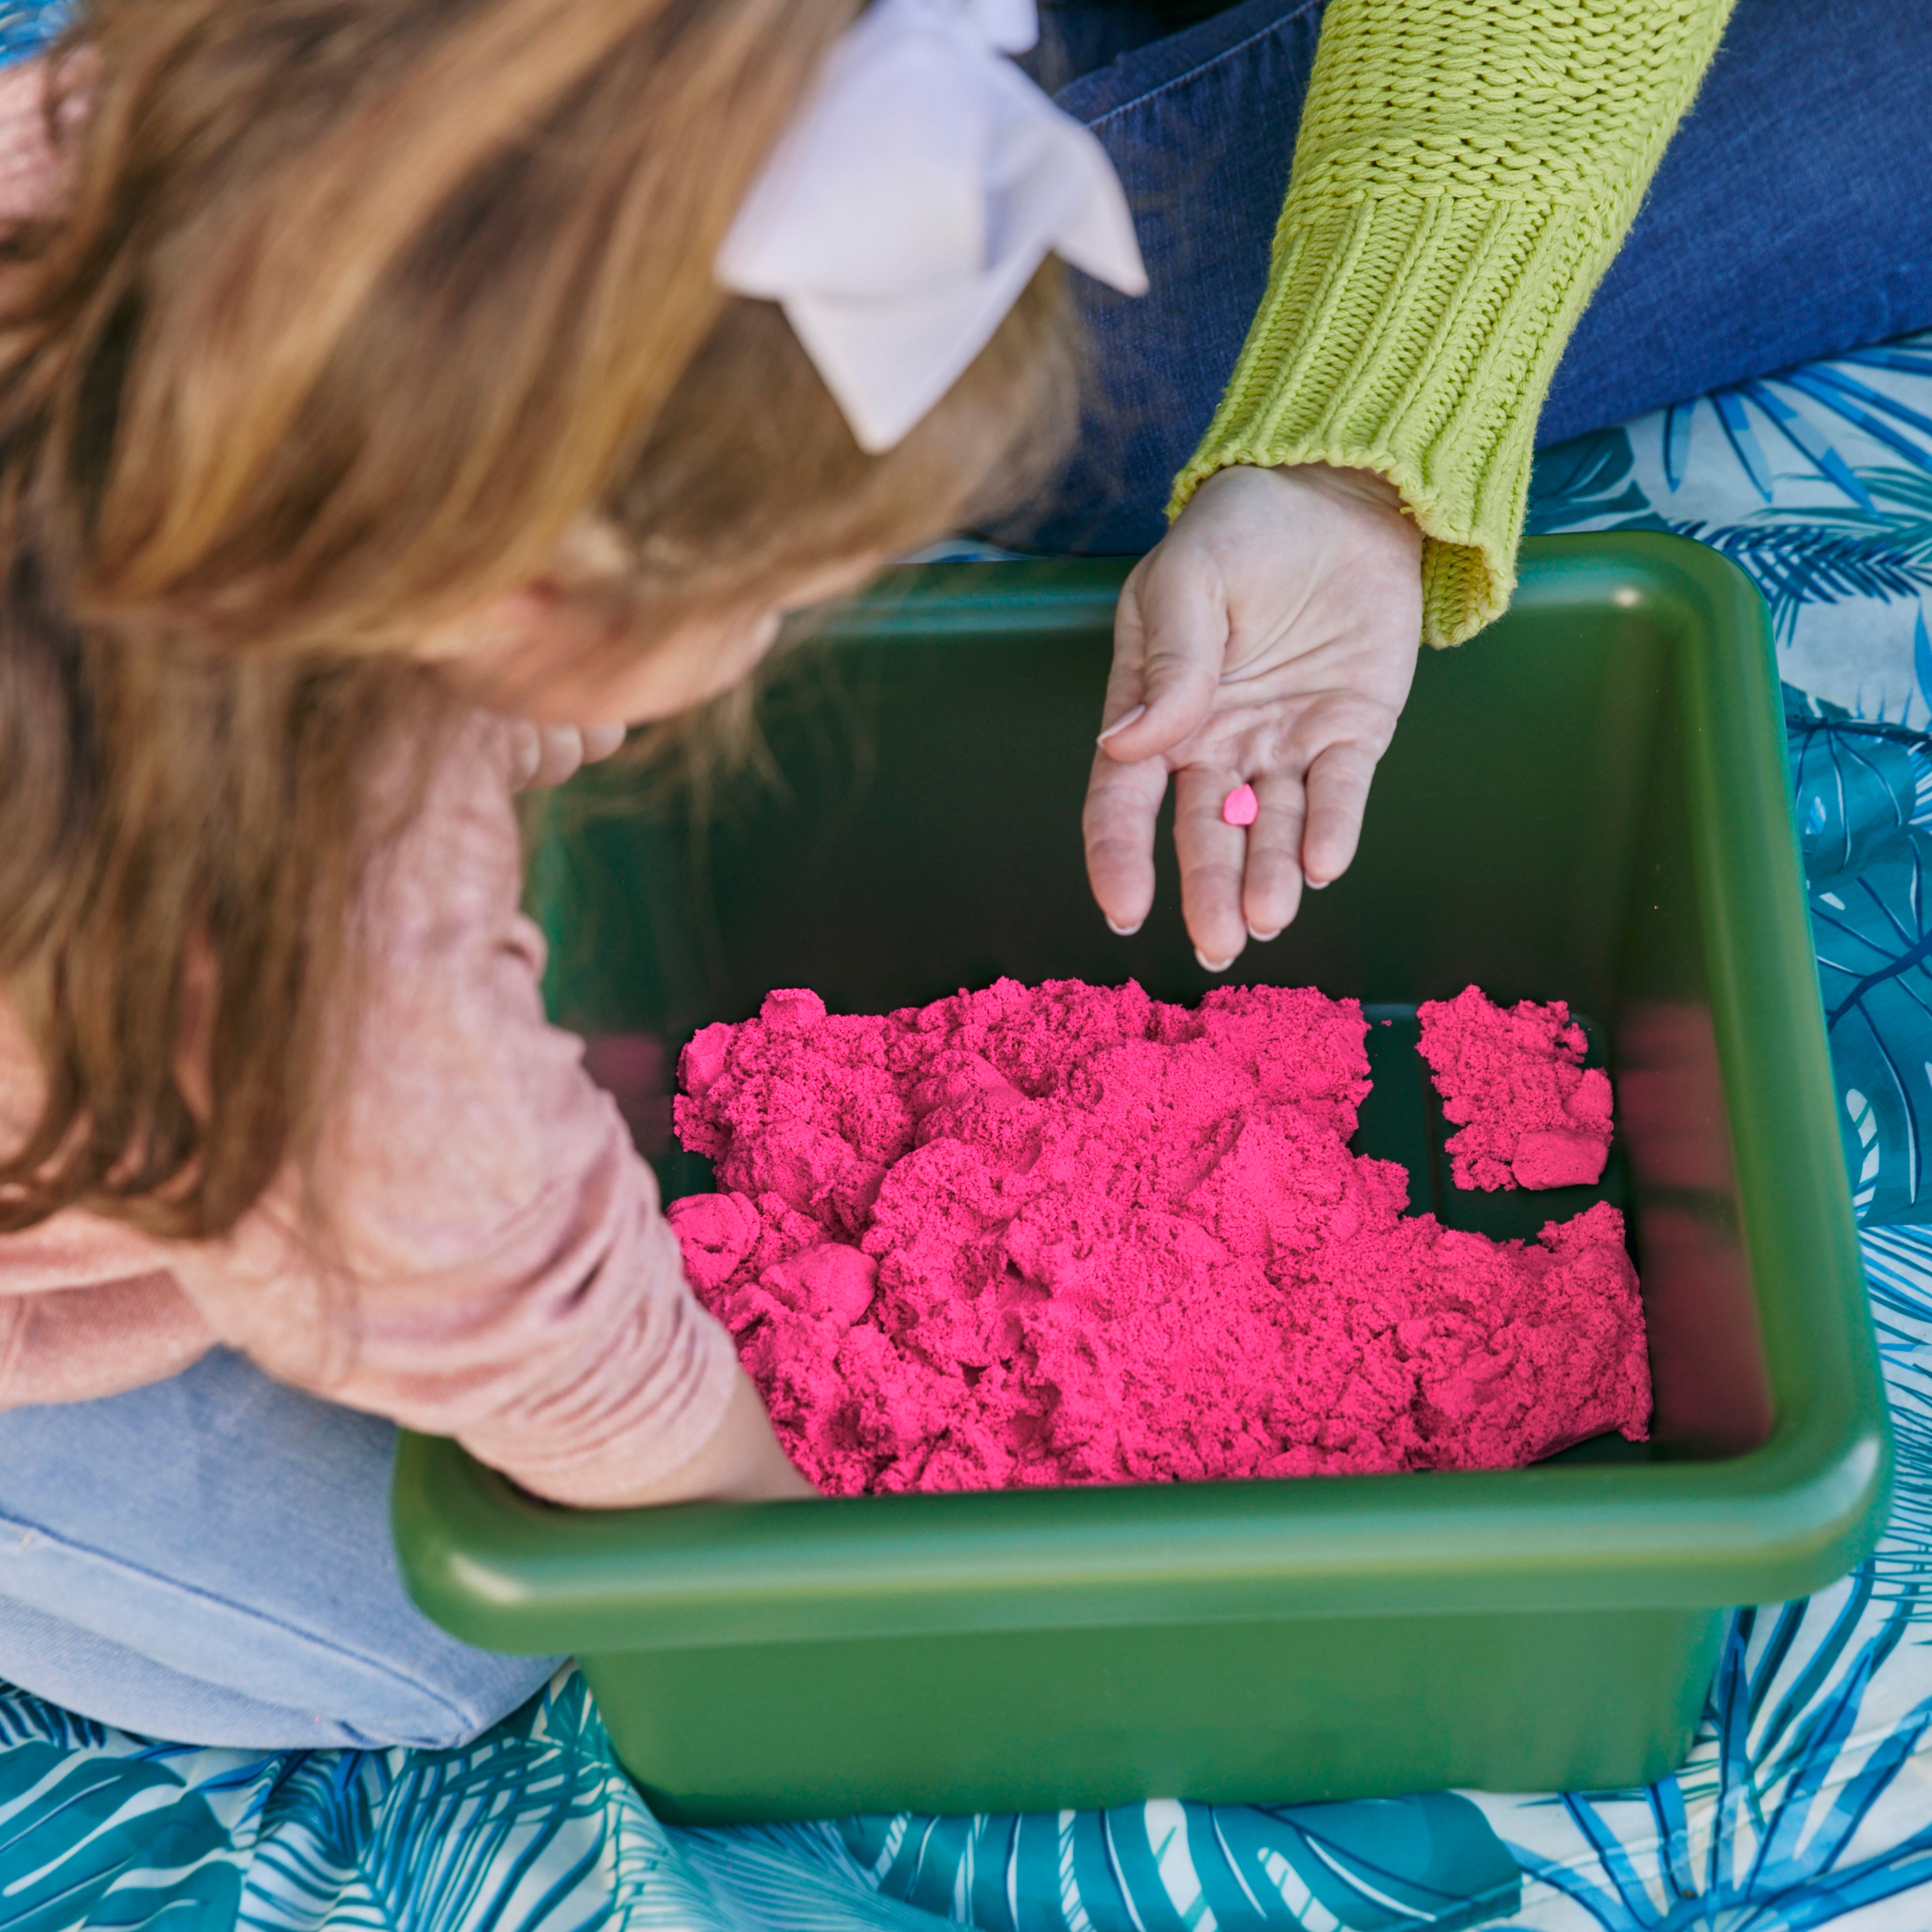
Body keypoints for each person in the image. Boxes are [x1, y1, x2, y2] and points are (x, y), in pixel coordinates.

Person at [0, 0, 1919, 1753]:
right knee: (428, 1650)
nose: (776, 645)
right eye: (778, 598)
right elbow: (577, 1364)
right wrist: (799, 1544)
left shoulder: (116, 150)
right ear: (525, 586)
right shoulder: (321, 974)